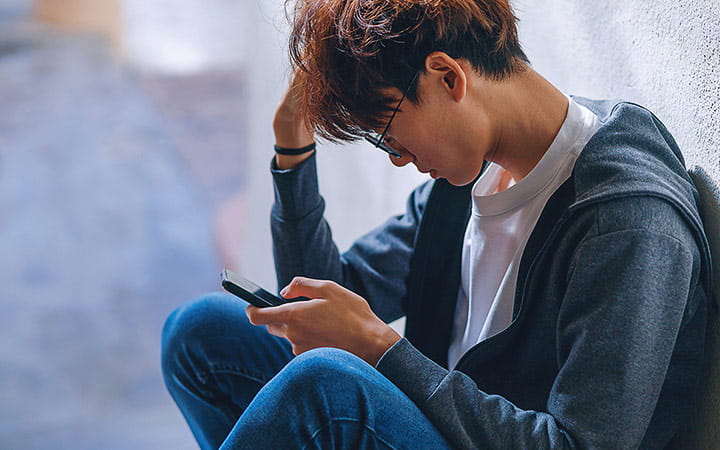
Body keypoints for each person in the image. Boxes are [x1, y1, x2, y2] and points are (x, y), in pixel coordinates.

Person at [161, 0, 713, 448]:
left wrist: (381, 350)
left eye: (391, 136)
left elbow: (577, 444)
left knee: (325, 391)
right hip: (438, 425)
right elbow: (320, 305)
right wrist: (292, 150)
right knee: (202, 332)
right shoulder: (467, 184)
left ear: (448, 77)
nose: (398, 159)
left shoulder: (626, 220)